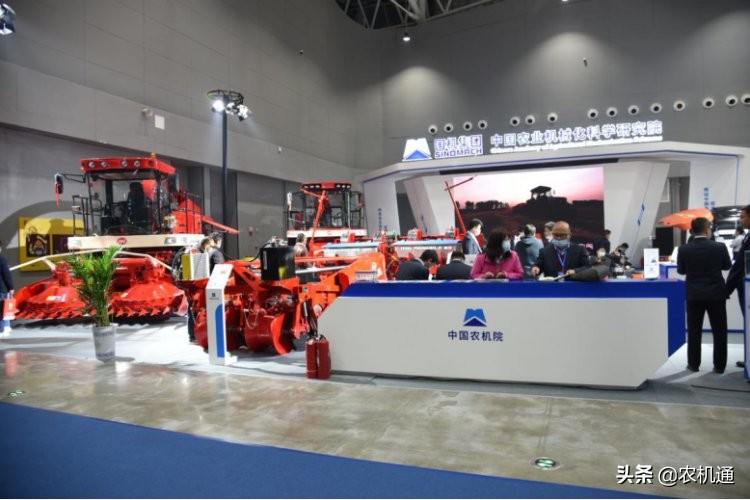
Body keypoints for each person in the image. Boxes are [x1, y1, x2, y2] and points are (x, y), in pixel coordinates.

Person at [677, 217, 732, 373]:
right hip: (716, 294)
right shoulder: (719, 247)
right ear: (707, 230)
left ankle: (694, 364)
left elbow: (681, 270)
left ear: (692, 231)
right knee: (720, 331)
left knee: (694, 331)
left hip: (694, 295)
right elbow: (727, 266)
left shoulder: (684, 249)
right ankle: (719, 366)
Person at [726, 205, 750, 368]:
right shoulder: (747, 236)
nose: (741, 220)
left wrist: (726, 289)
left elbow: (740, 266)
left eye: (743, 216)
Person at [0, 240, 14, 336]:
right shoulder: (2, 259)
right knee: (3, 308)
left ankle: (5, 327)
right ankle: (4, 328)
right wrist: (11, 287)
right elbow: (6, 275)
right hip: (2, 289)